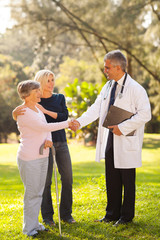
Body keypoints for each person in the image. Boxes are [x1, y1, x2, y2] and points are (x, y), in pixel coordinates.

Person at [70, 50, 151, 226]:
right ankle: (111, 214)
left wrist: (123, 128)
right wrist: (79, 122)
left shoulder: (136, 89)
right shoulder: (108, 86)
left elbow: (145, 114)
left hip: (126, 138)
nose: (105, 70)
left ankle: (126, 216)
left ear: (117, 67)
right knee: (112, 177)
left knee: (127, 181)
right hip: (110, 138)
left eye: (107, 67)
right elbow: (96, 108)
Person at [13, 70, 75, 225]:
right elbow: (27, 115)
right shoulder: (35, 100)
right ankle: (47, 217)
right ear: (40, 83)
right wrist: (14, 113)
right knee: (45, 182)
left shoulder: (59, 98)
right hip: (43, 146)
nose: (52, 83)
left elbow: (63, 116)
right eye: (48, 80)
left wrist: (46, 111)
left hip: (61, 142)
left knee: (67, 178)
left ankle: (66, 215)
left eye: (53, 79)